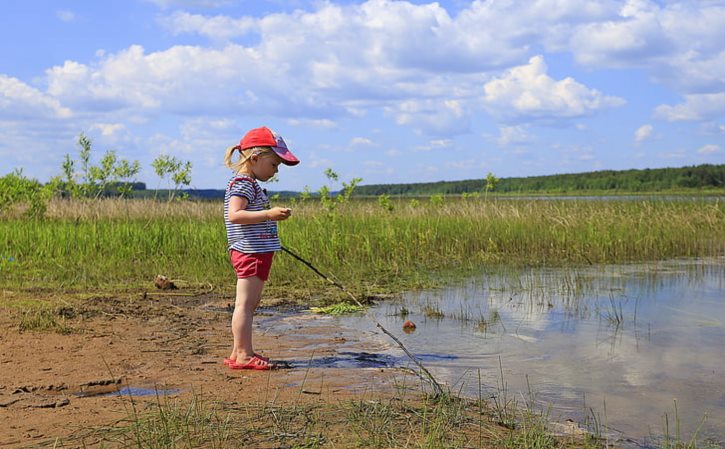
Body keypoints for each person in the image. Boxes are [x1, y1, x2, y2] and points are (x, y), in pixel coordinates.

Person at [222, 126, 300, 370]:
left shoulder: (250, 184)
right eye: (274, 164)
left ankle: (239, 352)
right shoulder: (243, 184)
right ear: (254, 158)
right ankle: (244, 354)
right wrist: (269, 214)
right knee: (245, 304)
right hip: (250, 252)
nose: (276, 171)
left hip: (257, 251)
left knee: (250, 304)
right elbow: (235, 215)